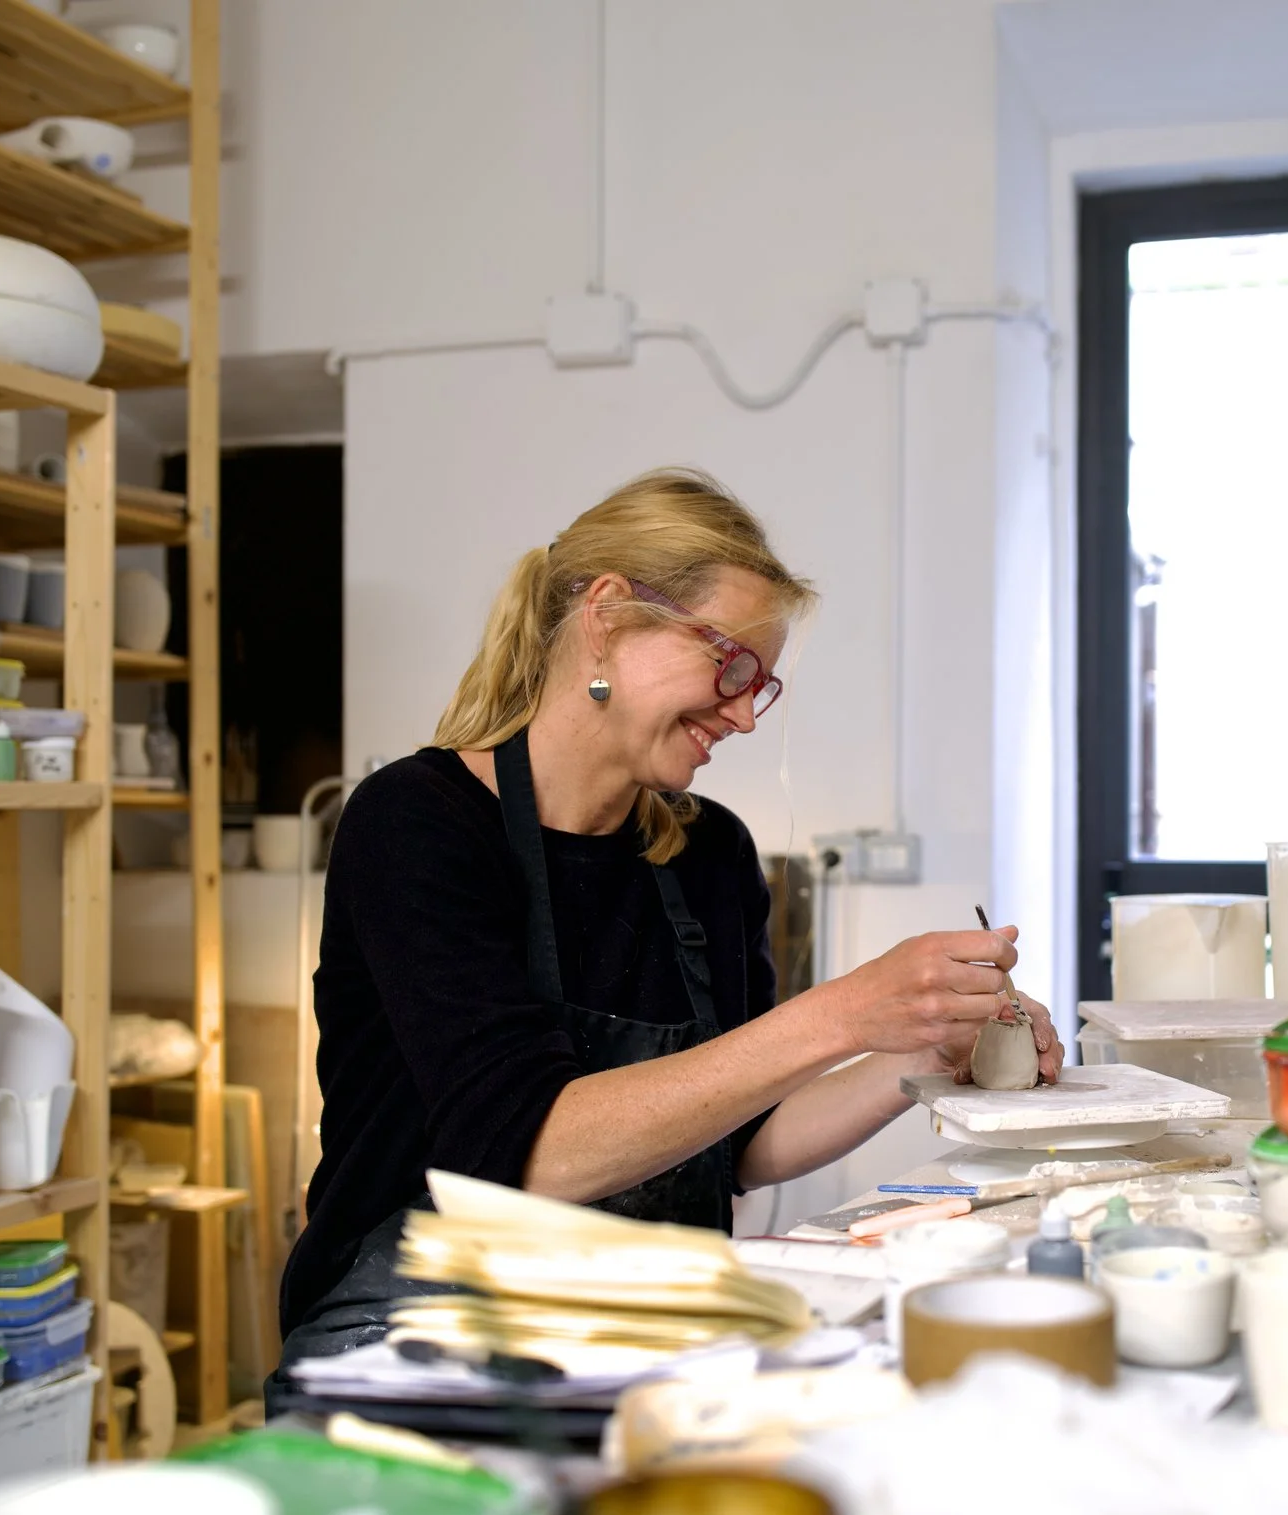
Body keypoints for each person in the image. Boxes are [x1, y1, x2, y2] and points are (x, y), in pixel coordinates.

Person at [277, 467, 1060, 1374]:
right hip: (413, 1340)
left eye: (758, 686)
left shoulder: (710, 853)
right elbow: (528, 1154)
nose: (741, 714)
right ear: (607, 614)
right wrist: (845, 1010)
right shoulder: (416, 823)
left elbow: (737, 1147)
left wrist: (920, 1054)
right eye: (729, 665)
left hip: (641, 1330)